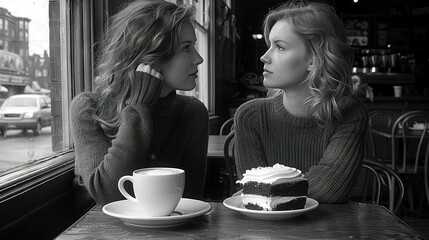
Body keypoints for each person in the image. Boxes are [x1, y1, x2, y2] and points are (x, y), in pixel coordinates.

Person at [70, 0, 208, 205]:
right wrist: (140, 106)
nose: (198, 59)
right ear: (150, 55)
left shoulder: (193, 112)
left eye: (194, 46)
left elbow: (190, 202)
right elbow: (108, 194)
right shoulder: (88, 107)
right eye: (186, 48)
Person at [234, 1, 368, 203]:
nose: (264, 57)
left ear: (314, 58)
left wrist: (268, 193)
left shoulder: (348, 114)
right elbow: (254, 194)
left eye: (279, 47)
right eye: (268, 45)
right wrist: (260, 194)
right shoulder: (251, 116)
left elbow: (329, 190)